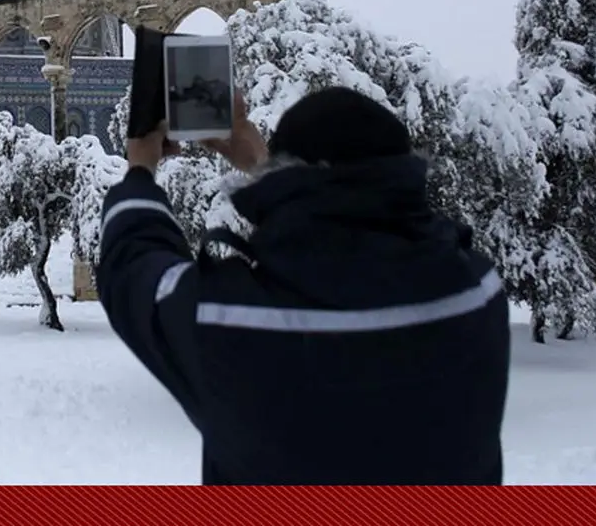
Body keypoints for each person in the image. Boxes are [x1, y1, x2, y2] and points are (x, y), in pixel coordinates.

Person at [95, 85, 510, 485]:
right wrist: (265, 167)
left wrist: (141, 168)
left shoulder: (237, 321)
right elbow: (351, 215)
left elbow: (134, 266)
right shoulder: (476, 292)